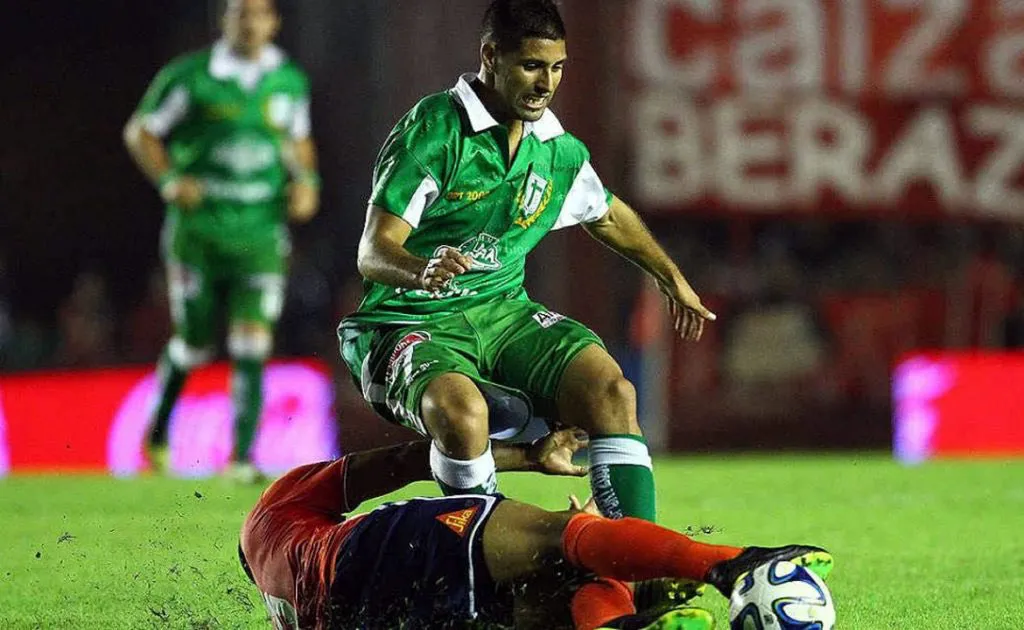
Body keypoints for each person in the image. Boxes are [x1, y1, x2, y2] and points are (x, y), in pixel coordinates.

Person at [339, 0, 715, 521]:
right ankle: (483, 558)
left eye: (558, 67)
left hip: (503, 314)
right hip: (408, 322)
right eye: (532, 66)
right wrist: (420, 270)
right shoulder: (436, 130)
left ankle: (637, 566)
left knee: (610, 390)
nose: (546, 83)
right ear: (490, 56)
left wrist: (671, 279)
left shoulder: (555, 149)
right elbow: (373, 251)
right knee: (462, 413)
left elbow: (606, 215)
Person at [239, 429, 834, 629]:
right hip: (369, 552)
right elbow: (391, 465)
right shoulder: (269, 517)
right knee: (564, 538)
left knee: (549, 595)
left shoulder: (281, 597)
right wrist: (526, 455)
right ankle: (735, 564)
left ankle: (617, 621)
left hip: (367, 619)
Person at [123, 0, 320, 481]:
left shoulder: (289, 81)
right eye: (239, 13)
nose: (248, 22)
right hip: (200, 233)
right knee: (194, 343)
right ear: (224, 19)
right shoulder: (192, 76)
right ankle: (157, 432)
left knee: (252, 342)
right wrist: (169, 178)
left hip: (260, 232)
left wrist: (308, 182)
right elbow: (141, 131)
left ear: (274, 22)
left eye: (258, 13)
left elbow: (297, 141)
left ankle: (242, 457)